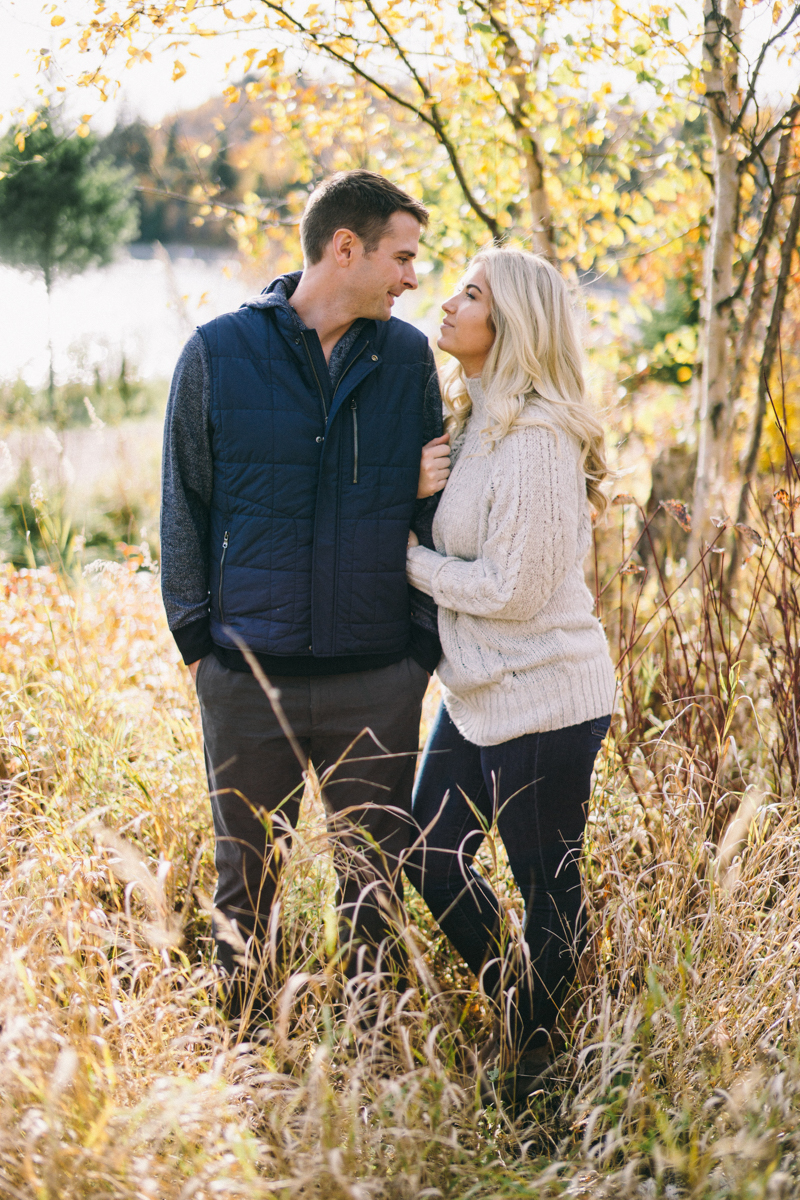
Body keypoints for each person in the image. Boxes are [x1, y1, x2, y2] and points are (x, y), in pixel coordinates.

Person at [160, 170, 452, 1021]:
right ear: (345, 248)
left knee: (375, 895)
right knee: (244, 889)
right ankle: (249, 1066)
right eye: (401, 257)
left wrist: (418, 654)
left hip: (377, 678)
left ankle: (369, 1069)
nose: (410, 278)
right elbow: (184, 501)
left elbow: (432, 508)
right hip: (249, 680)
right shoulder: (217, 353)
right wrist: (198, 648)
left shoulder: (406, 358)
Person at [403, 247, 616, 1105]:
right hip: (480, 690)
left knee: (546, 891)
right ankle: (524, 1000)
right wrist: (419, 490)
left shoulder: (535, 438)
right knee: (428, 855)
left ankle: (536, 1066)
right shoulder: (475, 421)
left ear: (511, 323)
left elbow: (514, 589)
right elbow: (466, 538)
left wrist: (407, 562)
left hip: (545, 694)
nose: (447, 303)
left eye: (470, 293)